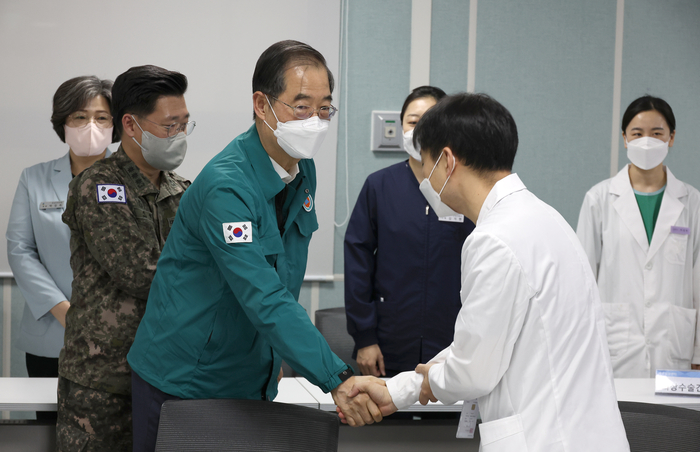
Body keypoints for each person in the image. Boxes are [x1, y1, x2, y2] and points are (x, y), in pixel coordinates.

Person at [127, 40, 381, 452]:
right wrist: (337, 377)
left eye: (324, 108)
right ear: (261, 105)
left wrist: (272, 358)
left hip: (249, 376)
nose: (315, 121)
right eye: (301, 106)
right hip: (185, 378)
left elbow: (285, 276)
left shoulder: (302, 171)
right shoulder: (227, 186)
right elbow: (262, 294)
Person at [342, 93, 630, 451]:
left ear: (447, 161)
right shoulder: (545, 218)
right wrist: (399, 390)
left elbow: (471, 371)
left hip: (545, 439)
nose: (426, 182)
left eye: (428, 166)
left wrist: (410, 387)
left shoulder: (494, 239)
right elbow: (480, 344)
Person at [57, 65, 193, 451]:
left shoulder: (183, 189)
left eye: (185, 124)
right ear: (131, 126)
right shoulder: (98, 186)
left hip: (166, 373)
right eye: (170, 126)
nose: (179, 135)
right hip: (102, 381)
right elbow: (141, 273)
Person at [6, 75, 116, 422]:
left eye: (101, 117)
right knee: (49, 431)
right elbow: (20, 250)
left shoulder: (134, 179)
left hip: (119, 337)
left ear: (117, 123)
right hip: (52, 337)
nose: (91, 126)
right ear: (63, 123)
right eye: (79, 117)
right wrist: (64, 312)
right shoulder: (34, 178)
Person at [344, 86, 474, 377]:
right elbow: (357, 263)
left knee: (445, 421)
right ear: (401, 126)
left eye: (430, 120)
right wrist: (365, 338)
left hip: (453, 340)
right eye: (413, 122)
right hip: (389, 339)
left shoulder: (464, 189)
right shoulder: (380, 186)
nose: (420, 130)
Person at [577, 95, 700, 378]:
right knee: (619, 417)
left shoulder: (692, 202)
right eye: (637, 133)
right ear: (624, 139)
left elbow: (699, 280)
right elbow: (582, 281)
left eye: (657, 133)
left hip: (674, 347)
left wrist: (698, 351)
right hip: (613, 345)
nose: (647, 141)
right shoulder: (599, 199)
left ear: (671, 137)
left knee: (670, 422)